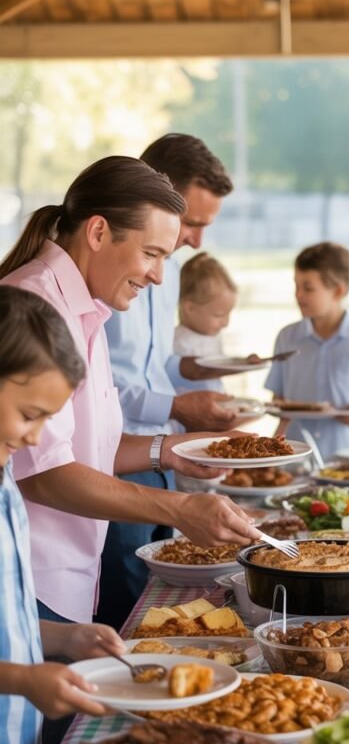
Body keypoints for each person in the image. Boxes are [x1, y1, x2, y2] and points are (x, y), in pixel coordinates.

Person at [0, 154, 259, 631]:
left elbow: (88, 448)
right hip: (35, 579)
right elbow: (41, 472)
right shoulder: (38, 306)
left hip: (67, 577)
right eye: (152, 254)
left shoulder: (84, 307)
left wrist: (170, 451)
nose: (160, 275)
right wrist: (179, 508)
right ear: (98, 233)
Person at [100, 134, 239, 626]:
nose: (197, 240)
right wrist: (179, 408)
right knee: (126, 604)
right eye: (193, 223)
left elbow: (151, 363)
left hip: (156, 451)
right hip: (115, 460)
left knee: (162, 597)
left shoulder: (169, 271)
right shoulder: (111, 273)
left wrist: (196, 372)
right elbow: (104, 386)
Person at [0, 286, 126, 744]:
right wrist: (24, 678)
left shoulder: (6, 479)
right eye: (29, 414)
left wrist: (60, 638)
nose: (35, 439)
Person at [265, 242, 349, 460]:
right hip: (295, 455)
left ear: (338, 291)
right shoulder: (287, 337)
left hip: (348, 456)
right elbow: (279, 398)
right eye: (296, 286)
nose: (298, 295)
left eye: (308, 288)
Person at [172, 253, 239, 493]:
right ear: (189, 307)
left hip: (214, 423)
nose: (226, 323)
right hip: (188, 430)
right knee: (194, 484)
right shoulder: (178, 342)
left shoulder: (213, 338)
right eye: (219, 315)